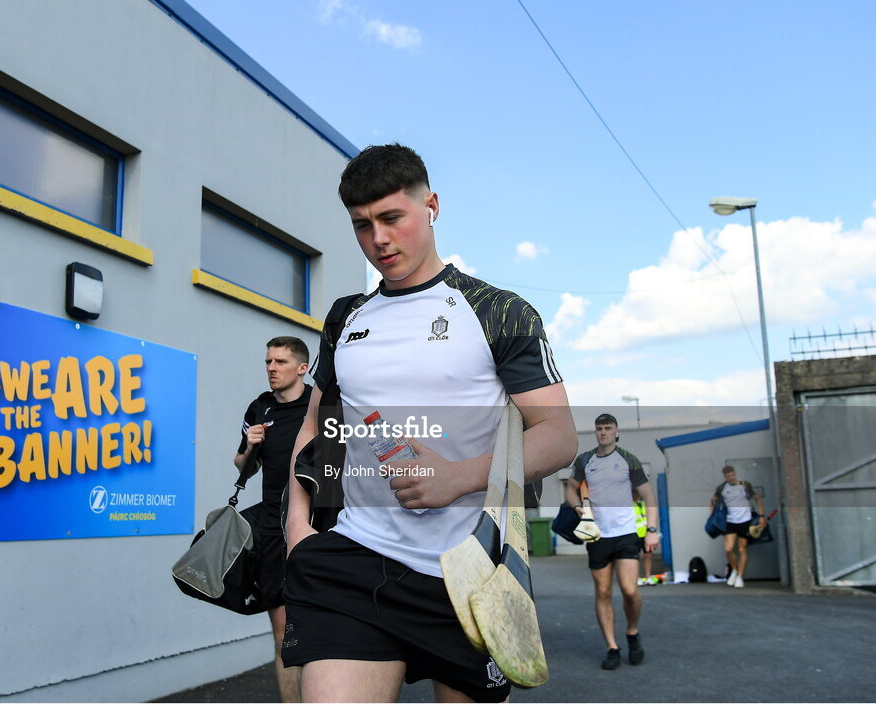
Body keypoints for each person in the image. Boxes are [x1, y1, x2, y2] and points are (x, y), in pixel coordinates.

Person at [282, 144, 577, 703]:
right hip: (356, 559)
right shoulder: (347, 316)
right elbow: (314, 426)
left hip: (466, 575)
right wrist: (299, 529)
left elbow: (559, 436)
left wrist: (458, 477)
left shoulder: (497, 310)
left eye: (392, 218)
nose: (379, 240)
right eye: (362, 226)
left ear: (431, 206)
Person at [233, 336, 312, 703]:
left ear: (302, 367)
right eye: (268, 361)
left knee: (321, 630)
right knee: (283, 635)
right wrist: (251, 445)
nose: (271, 368)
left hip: (320, 526)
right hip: (271, 529)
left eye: (280, 362)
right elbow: (243, 469)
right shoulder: (259, 408)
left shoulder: (322, 404)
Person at [565, 413, 660, 670]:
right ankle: (612, 646)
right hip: (596, 534)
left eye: (608, 428)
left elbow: (649, 497)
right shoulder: (585, 460)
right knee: (603, 592)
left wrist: (652, 530)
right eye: (599, 428)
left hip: (626, 533)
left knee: (630, 591)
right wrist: (579, 511)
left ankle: (632, 631)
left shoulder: (629, 459)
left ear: (616, 432)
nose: (603, 432)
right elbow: (570, 489)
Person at [709, 465, 764, 589]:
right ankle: (734, 569)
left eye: (732, 475)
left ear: (735, 473)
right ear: (724, 477)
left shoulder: (744, 485)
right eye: (728, 476)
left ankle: (740, 576)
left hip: (745, 521)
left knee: (742, 549)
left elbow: (757, 499)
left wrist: (761, 515)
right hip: (730, 521)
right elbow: (714, 498)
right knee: (728, 549)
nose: (731, 477)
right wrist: (713, 511)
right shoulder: (722, 487)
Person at [633, 491, 654, 585]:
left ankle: (648, 577)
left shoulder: (644, 504)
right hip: (635, 534)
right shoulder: (630, 505)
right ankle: (637, 578)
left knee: (648, 556)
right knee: (636, 557)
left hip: (646, 534)